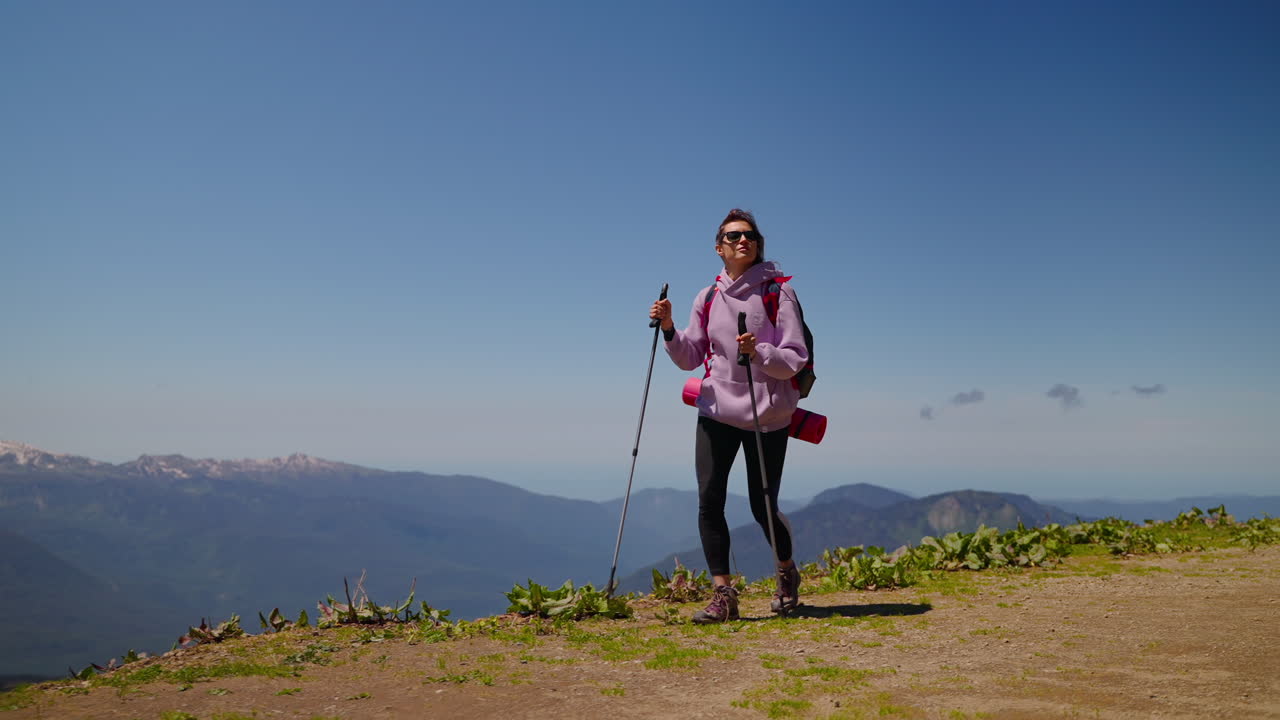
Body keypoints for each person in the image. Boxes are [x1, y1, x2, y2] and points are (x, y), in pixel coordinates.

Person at [649, 208, 809, 623]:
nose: (744, 241)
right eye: (734, 236)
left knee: (763, 504)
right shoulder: (707, 297)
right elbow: (691, 357)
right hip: (717, 409)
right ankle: (724, 596)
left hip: (767, 415)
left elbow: (794, 359)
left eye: (750, 236)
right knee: (709, 501)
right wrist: (668, 328)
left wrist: (759, 352)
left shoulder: (779, 292)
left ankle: (786, 572)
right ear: (718, 246)